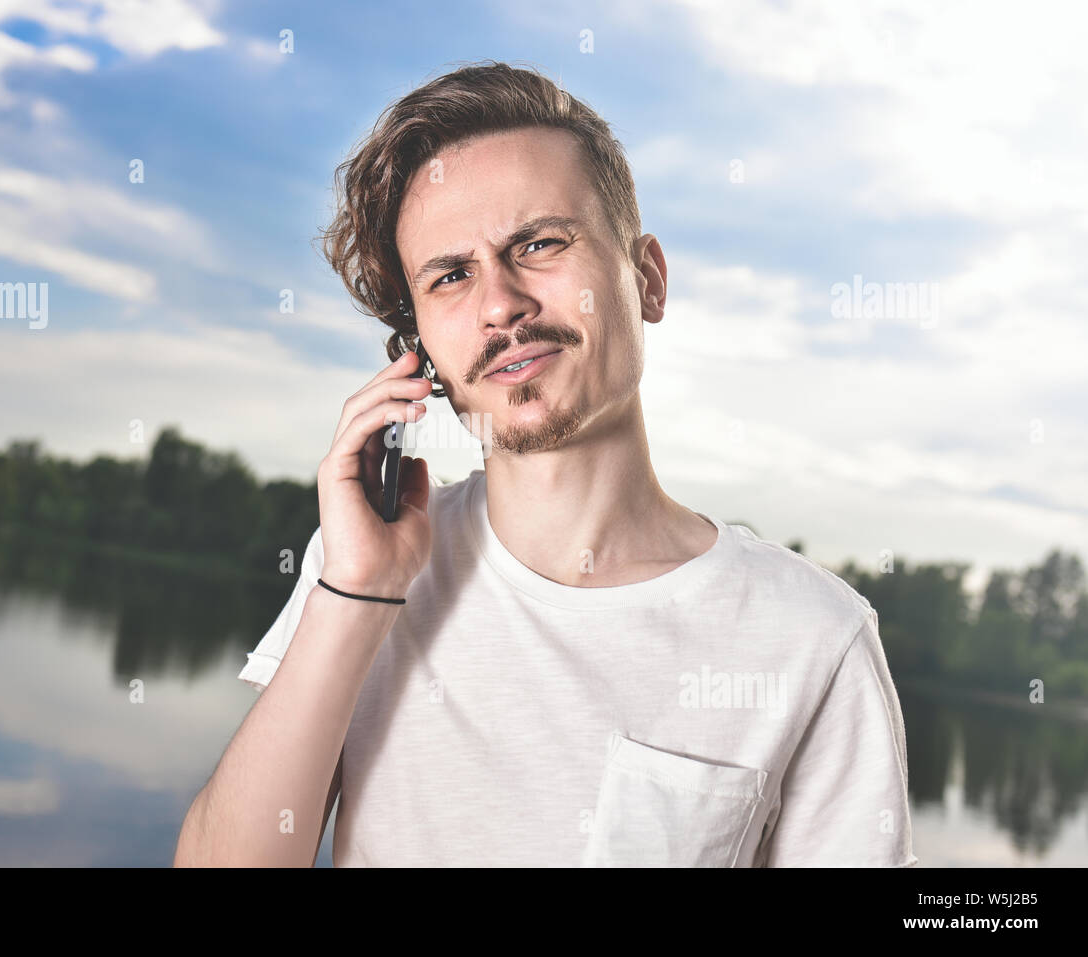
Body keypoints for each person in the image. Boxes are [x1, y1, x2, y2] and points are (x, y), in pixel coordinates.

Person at [174, 60, 917, 868]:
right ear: (419, 352)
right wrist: (358, 593)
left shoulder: (811, 636)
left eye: (539, 244)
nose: (500, 304)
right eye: (451, 275)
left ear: (648, 280)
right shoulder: (360, 570)